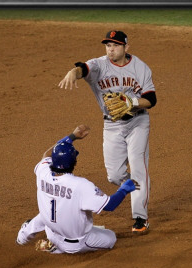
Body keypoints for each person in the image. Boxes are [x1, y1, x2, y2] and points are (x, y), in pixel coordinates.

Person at [58, 30, 157, 234]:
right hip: (112, 125)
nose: (111, 50)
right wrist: (72, 72)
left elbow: (151, 100)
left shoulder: (140, 68)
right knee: (115, 175)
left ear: (126, 47)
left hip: (138, 122)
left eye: (115, 46)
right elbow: (82, 69)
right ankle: (135, 185)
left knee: (138, 165)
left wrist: (132, 102)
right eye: (108, 45)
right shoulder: (99, 65)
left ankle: (140, 217)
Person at [16, 125, 139, 254]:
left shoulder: (43, 171)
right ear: (74, 162)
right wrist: (124, 189)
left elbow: (46, 154)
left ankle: (22, 237)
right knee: (111, 237)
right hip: (75, 244)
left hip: (51, 231)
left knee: (46, 214)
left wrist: (72, 136)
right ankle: (56, 249)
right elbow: (109, 205)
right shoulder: (81, 185)